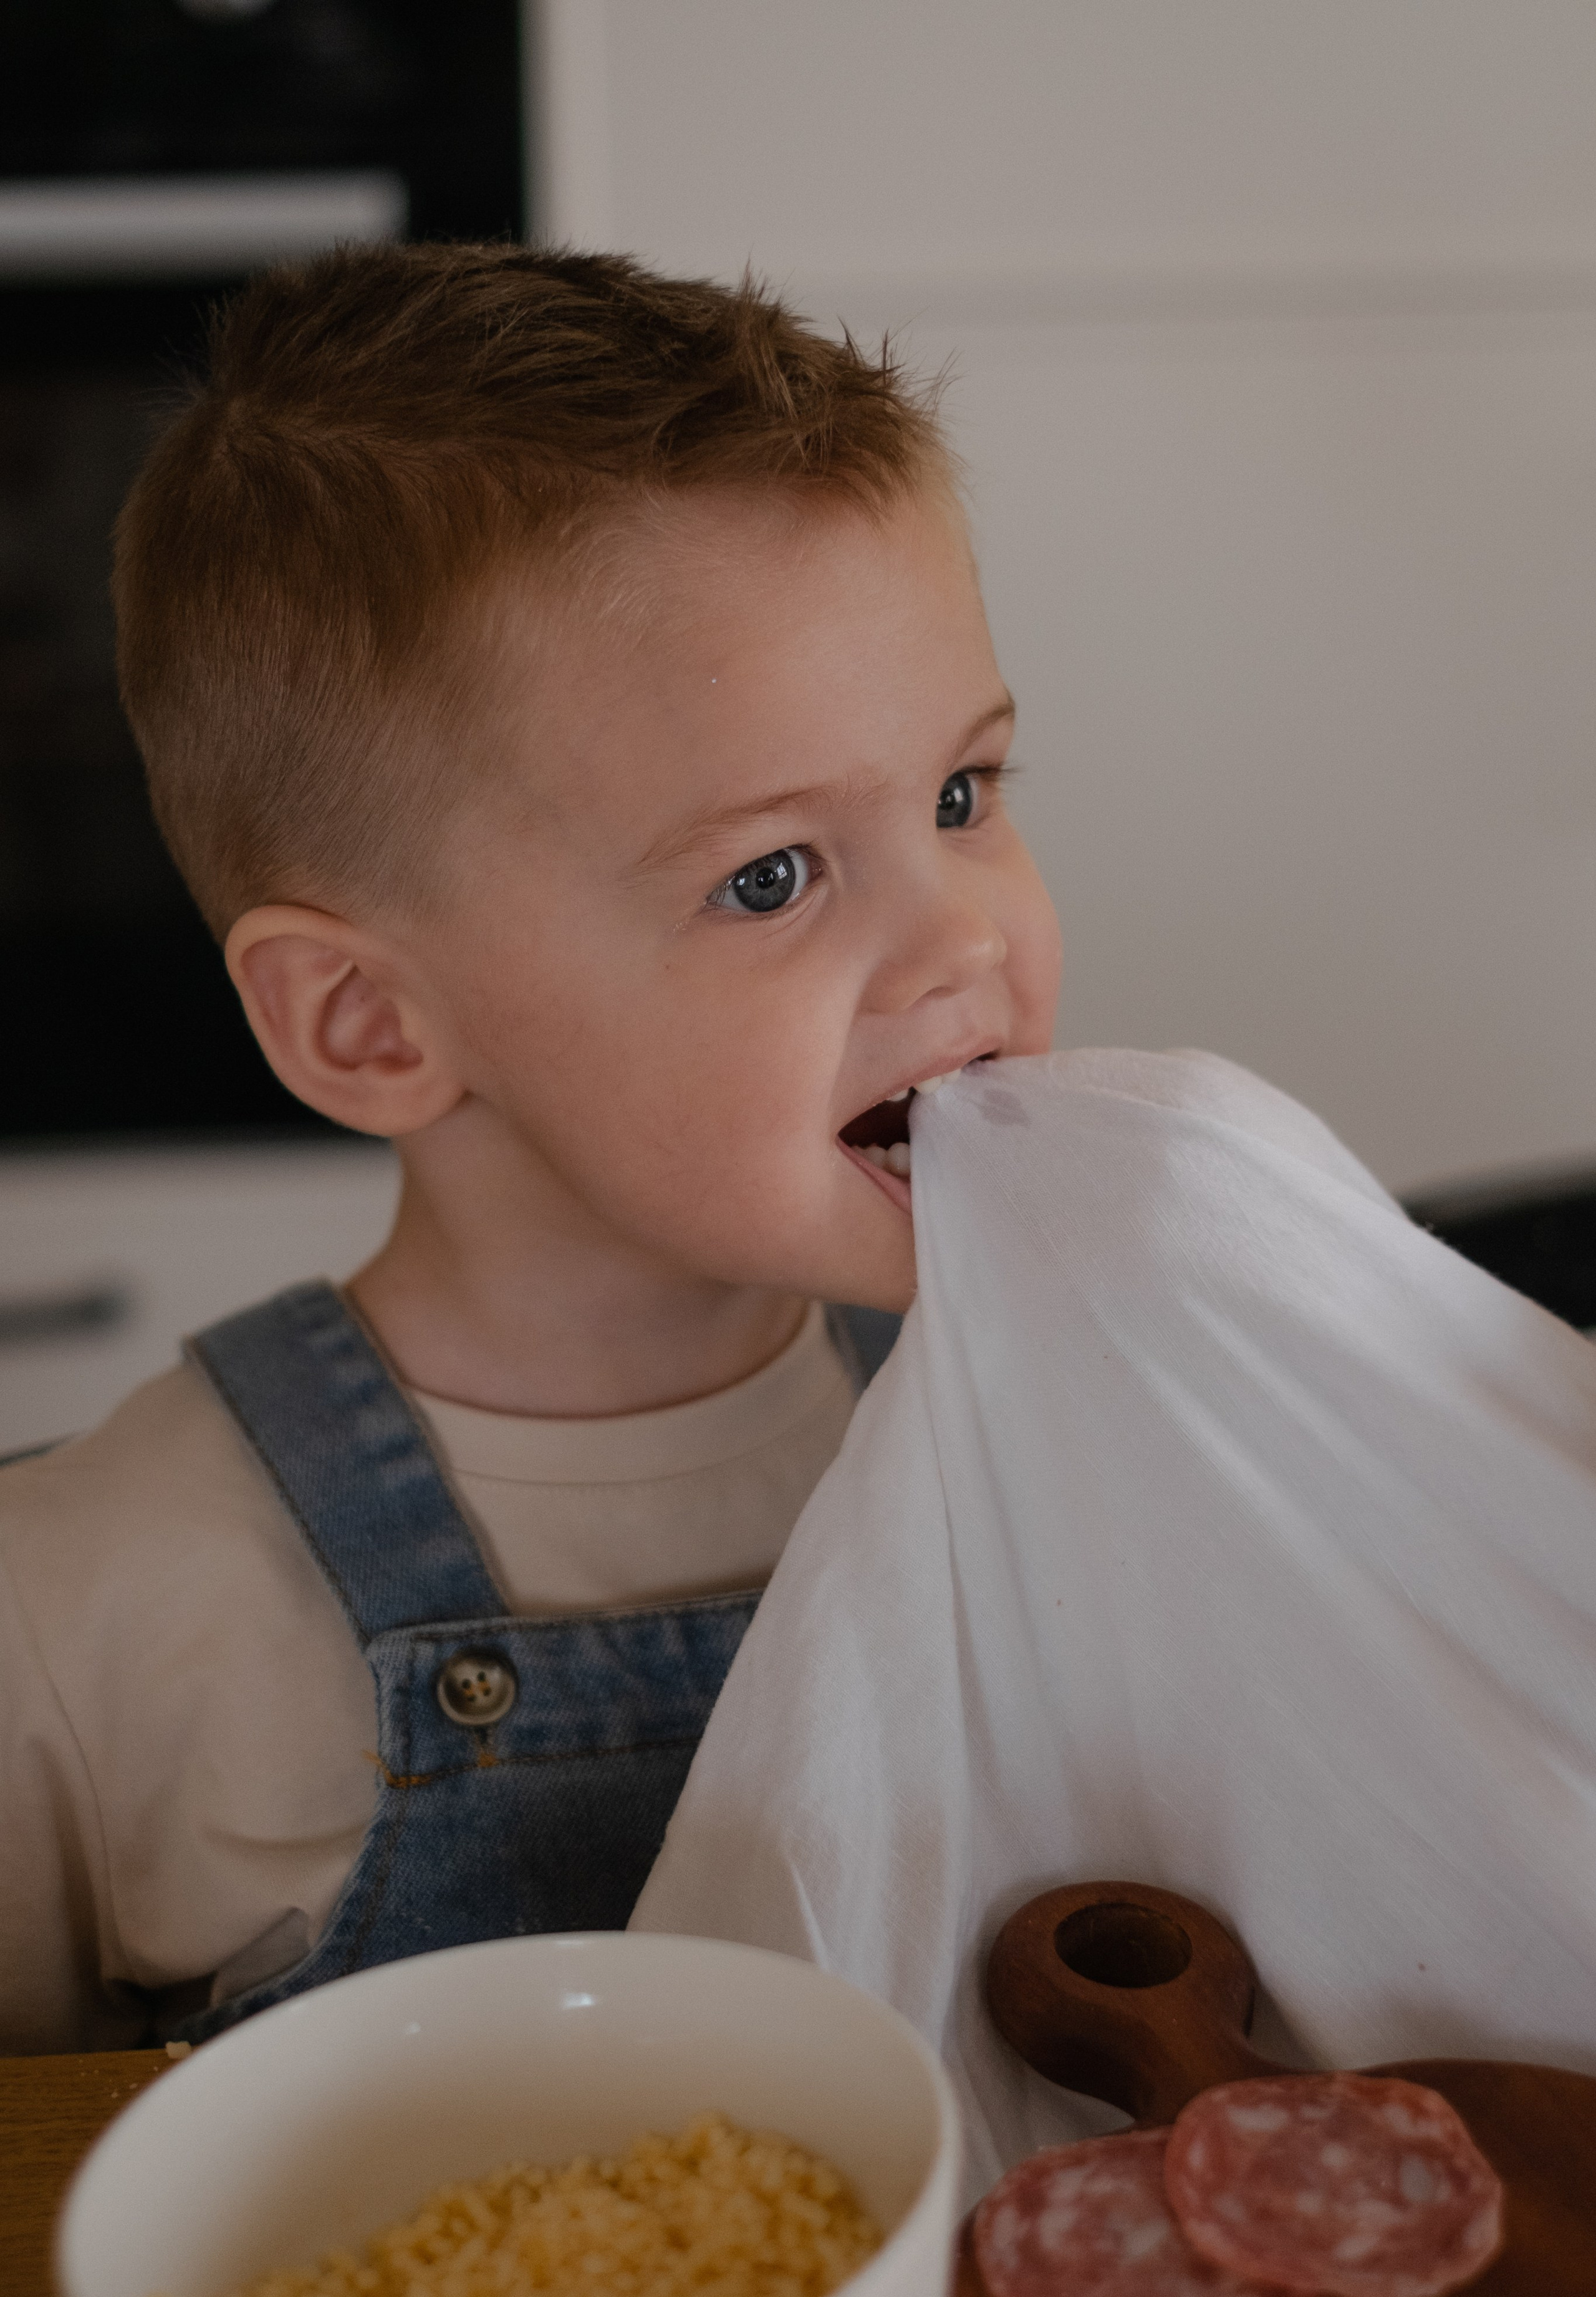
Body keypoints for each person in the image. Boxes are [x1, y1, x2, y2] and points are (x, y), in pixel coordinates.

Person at [0, 244, 1062, 2053]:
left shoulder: (1046, 1432)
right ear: (372, 1023)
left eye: (963, 794)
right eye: (771, 876)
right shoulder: (80, 1617)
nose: (968, 939)